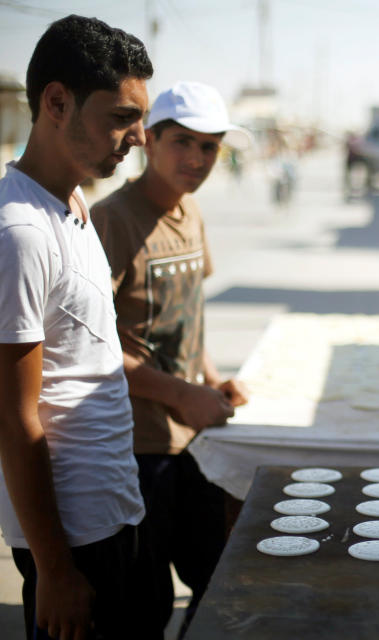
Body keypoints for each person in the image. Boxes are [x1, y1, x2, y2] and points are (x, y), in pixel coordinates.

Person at [0, 15, 153, 640]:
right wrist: (55, 570)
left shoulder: (70, 203)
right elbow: (15, 418)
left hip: (114, 511)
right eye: (122, 117)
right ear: (56, 103)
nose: (138, 137)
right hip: (73, 538)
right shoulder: (21, 234)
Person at [90, 81, 249, 639]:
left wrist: (207, 379)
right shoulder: (112, 221)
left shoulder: (192, 213)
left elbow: (188, 315)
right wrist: (181, 394)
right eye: (183, 142)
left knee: (217, 580)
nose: (196, 159)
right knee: (143, 603)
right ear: (148, 139)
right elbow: (91, 350)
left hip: (193, 442)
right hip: (136, 449)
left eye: (210, 147)